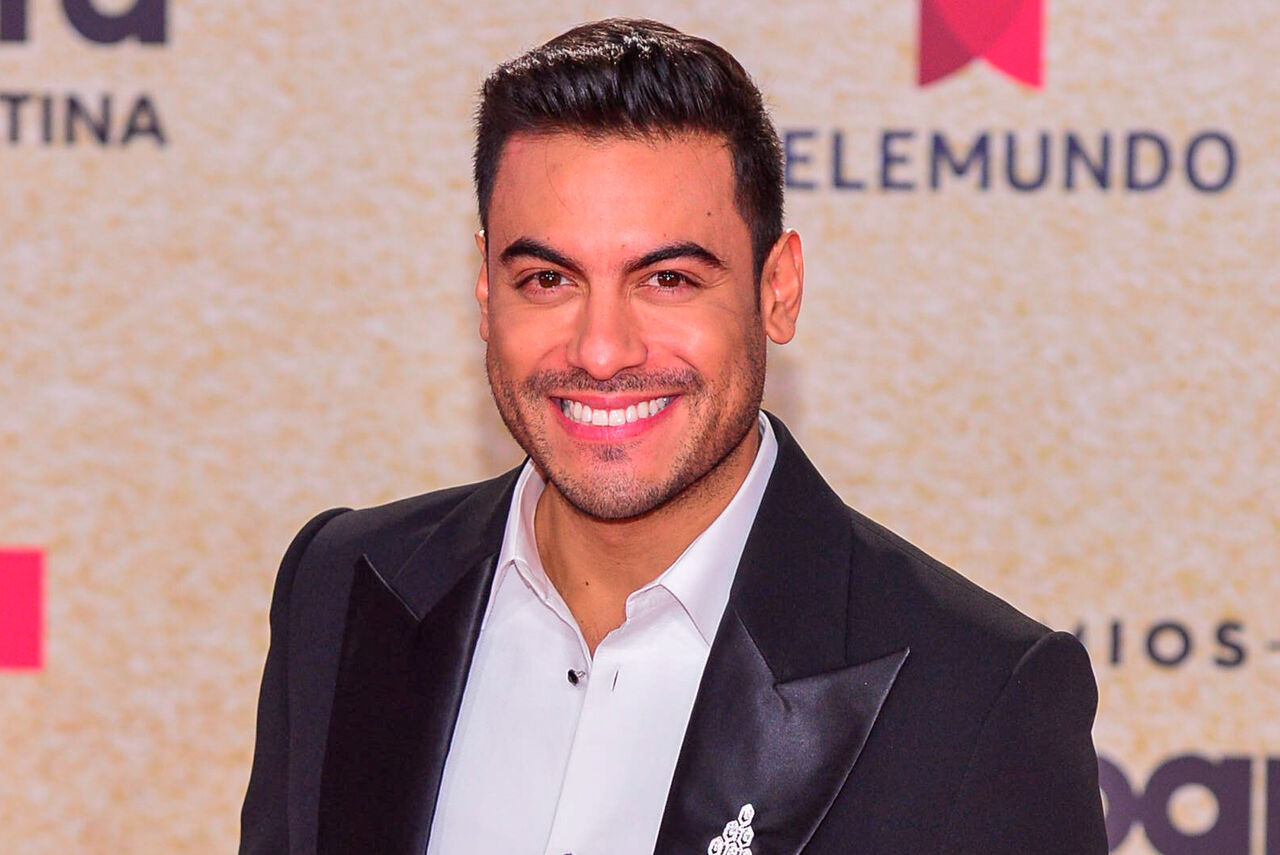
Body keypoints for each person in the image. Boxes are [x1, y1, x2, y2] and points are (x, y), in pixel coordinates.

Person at [240, 18, 1107, 855]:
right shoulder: (340, 588)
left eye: (667, 279)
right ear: (485, 293)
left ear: (777, 290)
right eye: (547, 279)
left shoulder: (978, 696)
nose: (601, 350)